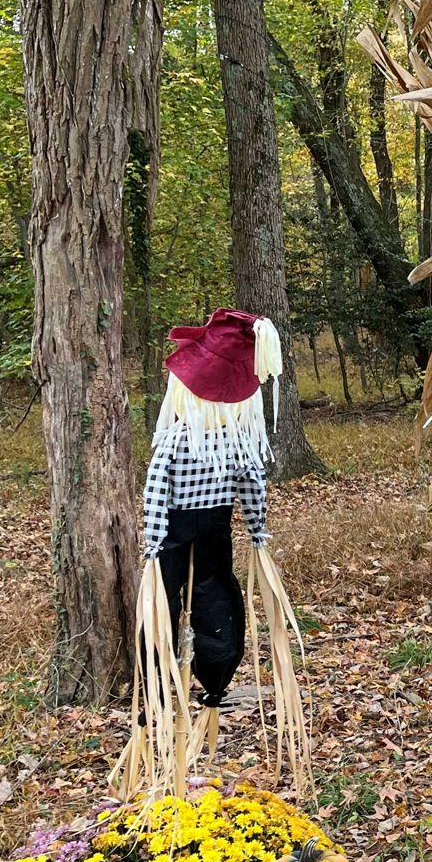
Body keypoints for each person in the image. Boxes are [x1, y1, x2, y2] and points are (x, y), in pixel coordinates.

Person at [116, 308, 311, 802]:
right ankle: (168, 697)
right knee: (192, 599)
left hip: (199, 535)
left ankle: (208, 685)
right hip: (187, 537)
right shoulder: (204, 439)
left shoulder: (212, 440)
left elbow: (243, 487)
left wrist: (258, 533)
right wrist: (156, 542)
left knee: (214, 602)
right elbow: (167, 490)